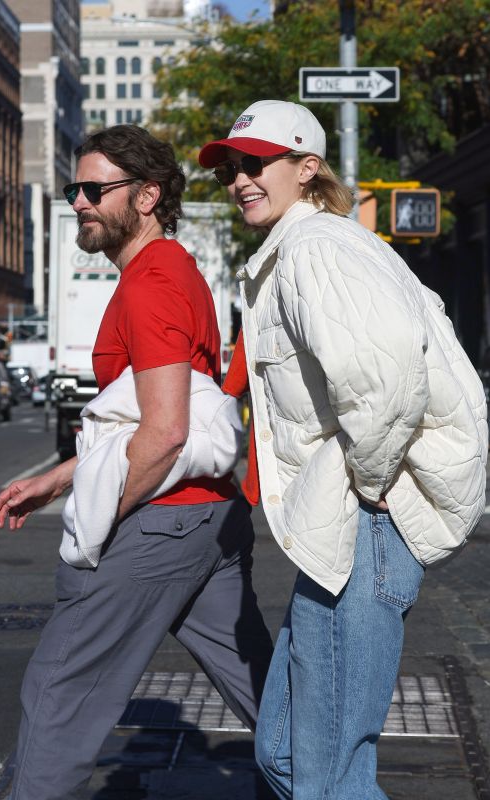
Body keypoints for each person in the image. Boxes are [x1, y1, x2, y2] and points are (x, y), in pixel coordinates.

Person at [199, 100, 487, 799]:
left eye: (256, 163)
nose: (240, 179)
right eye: (233, 166)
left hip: (364, 523)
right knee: (286, 757)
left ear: (306, 168)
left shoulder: (319, 249)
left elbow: (384, 375)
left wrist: (372, 474)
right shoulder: (299, 250)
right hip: (340, 527)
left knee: (325, 773)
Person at [0, 124, 273, 800]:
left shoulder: (151, 282)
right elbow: (152, 417)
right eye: (74, 189)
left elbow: (167, 430)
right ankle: (332, 786)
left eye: (95, 189)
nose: (80, 202)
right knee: (270, 698)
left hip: (161, 522)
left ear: (146, 196)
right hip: (208, 517)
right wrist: (60, 477)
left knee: (59, 695)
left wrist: (94, 518)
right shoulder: (169, 269)